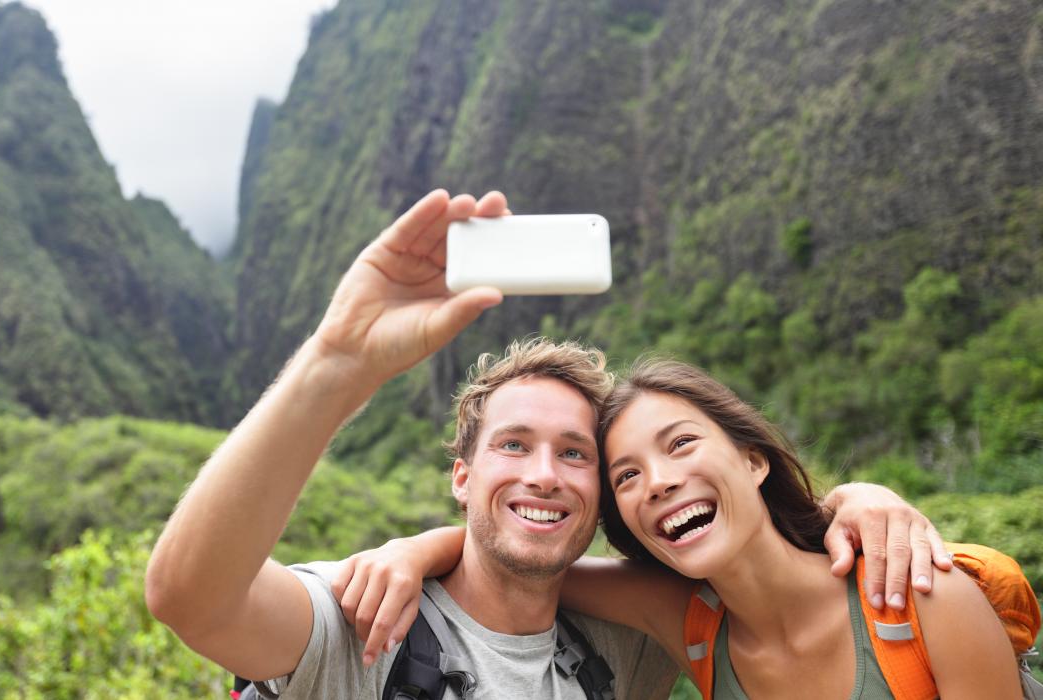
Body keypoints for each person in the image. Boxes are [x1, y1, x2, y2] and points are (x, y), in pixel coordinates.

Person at [145, 190, 946, 699]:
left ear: (604, 496)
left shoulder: (635, 639)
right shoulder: (366, 618)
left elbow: (764, 566)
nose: (544, 474)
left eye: (576, 455)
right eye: (513, 445)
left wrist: (854, 503)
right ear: (462, 475)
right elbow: (192, 598)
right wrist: (336, 364)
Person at [339, 358, 1021, 698]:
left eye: (682, 444)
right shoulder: (688, 619)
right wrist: (414, 550)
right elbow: (524, 556)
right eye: (626, 476)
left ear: (753, 460)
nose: (658, 481)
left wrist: (856, 495)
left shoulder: (917, 599)